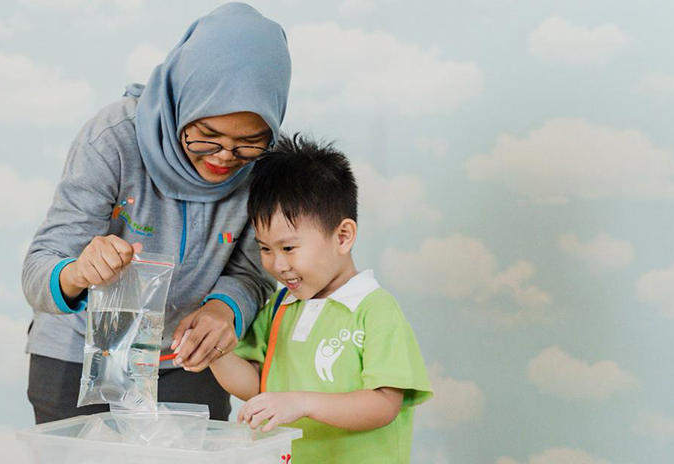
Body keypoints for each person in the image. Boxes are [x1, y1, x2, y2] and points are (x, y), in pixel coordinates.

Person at [22, 2, 290, 424]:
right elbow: (38, 269)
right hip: (80, 357)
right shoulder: (112, 139)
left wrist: (224, 309)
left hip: (189, 361)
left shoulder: (268, 165)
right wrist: (78, 272)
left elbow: (253, 274)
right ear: (181, 103)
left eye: (248, 143)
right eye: (206, 136)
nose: (224, 157)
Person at [203, 134, 433, 463]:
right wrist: (215, 351)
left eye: (288, 248)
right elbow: (256, 384)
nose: (277, 265)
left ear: (343, 236)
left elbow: (384, 404)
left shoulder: (375, 309)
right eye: (265, 248)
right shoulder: (280, 307)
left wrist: (303, 403)